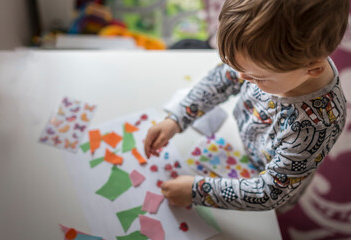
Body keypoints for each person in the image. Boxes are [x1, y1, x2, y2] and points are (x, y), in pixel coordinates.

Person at [144, 0, 349, 211]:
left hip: (274, 181)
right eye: (237, 67)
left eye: (257, 77)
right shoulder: (265, 61)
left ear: (313, 69)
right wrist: (177, 118)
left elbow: (269, 193)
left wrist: (196, 191)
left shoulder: (317, 125)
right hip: (244, 142)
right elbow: (222, 80)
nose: (241, 76)